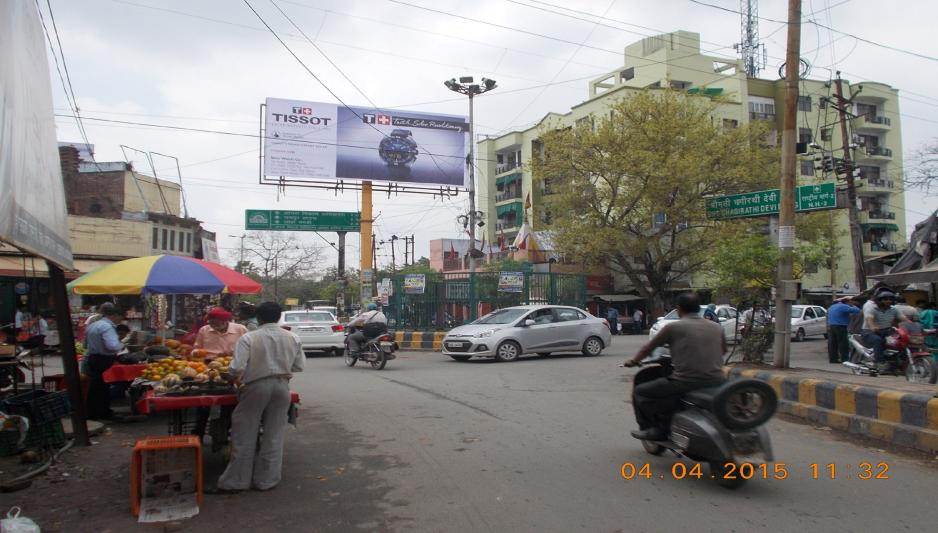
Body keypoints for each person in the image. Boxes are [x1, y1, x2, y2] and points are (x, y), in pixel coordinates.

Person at [215, 302, 304, 493]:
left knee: (244, 434)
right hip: (282, 387)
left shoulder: (249, 337)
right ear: (279, 317)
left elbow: (236, 368)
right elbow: (298, 366)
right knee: (274, 434)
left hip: (255, 386)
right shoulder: (293, 337)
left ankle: (236, 482)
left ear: (259, 318)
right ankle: (267, 480)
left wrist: (229, 376)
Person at [623, 292, 726, 441]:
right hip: (718, 379)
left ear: (679, 309)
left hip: (686, 382)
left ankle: (657, 429)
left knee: (641, 392)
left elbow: (648, 348)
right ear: (698, 308)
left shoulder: (674, 327)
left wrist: (633, 361)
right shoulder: (716, 327)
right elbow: (723, 350)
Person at [83, 304, 125, 420]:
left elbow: (84, 344)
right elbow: (112, 346)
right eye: (120, 317)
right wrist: (121, 345)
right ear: (114, 315)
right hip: (103, 360)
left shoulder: (93, 325)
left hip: (93, 357)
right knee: (103, 386)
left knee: (95, 386)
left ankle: (93, 412)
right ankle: (103, 412)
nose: (120, 320)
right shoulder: (107, 327)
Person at [861, 291, 907, 368]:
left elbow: (904, 319)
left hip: (887, 331)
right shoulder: (872, 308)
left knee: (900, 340)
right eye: (885, 299)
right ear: (879, 300)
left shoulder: (894, 309)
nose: (888, 301)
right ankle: (880, 362)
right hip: (869, 332)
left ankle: (901, 360)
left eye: (890, 299)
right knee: (877, 340)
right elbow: (869, 319)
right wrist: (873, 327)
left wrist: (914, 325)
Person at [827, 298, 860, 364]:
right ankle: (845, 359)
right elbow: (857, 310)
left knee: (833, 344)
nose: (850, 304)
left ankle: (833, 359)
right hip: (840, 326)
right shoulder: (844, 306)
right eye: (850, 303)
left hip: (831, 326)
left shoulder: (832, 306)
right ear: (847, 302)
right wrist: (853, 305)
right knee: (843, 343)